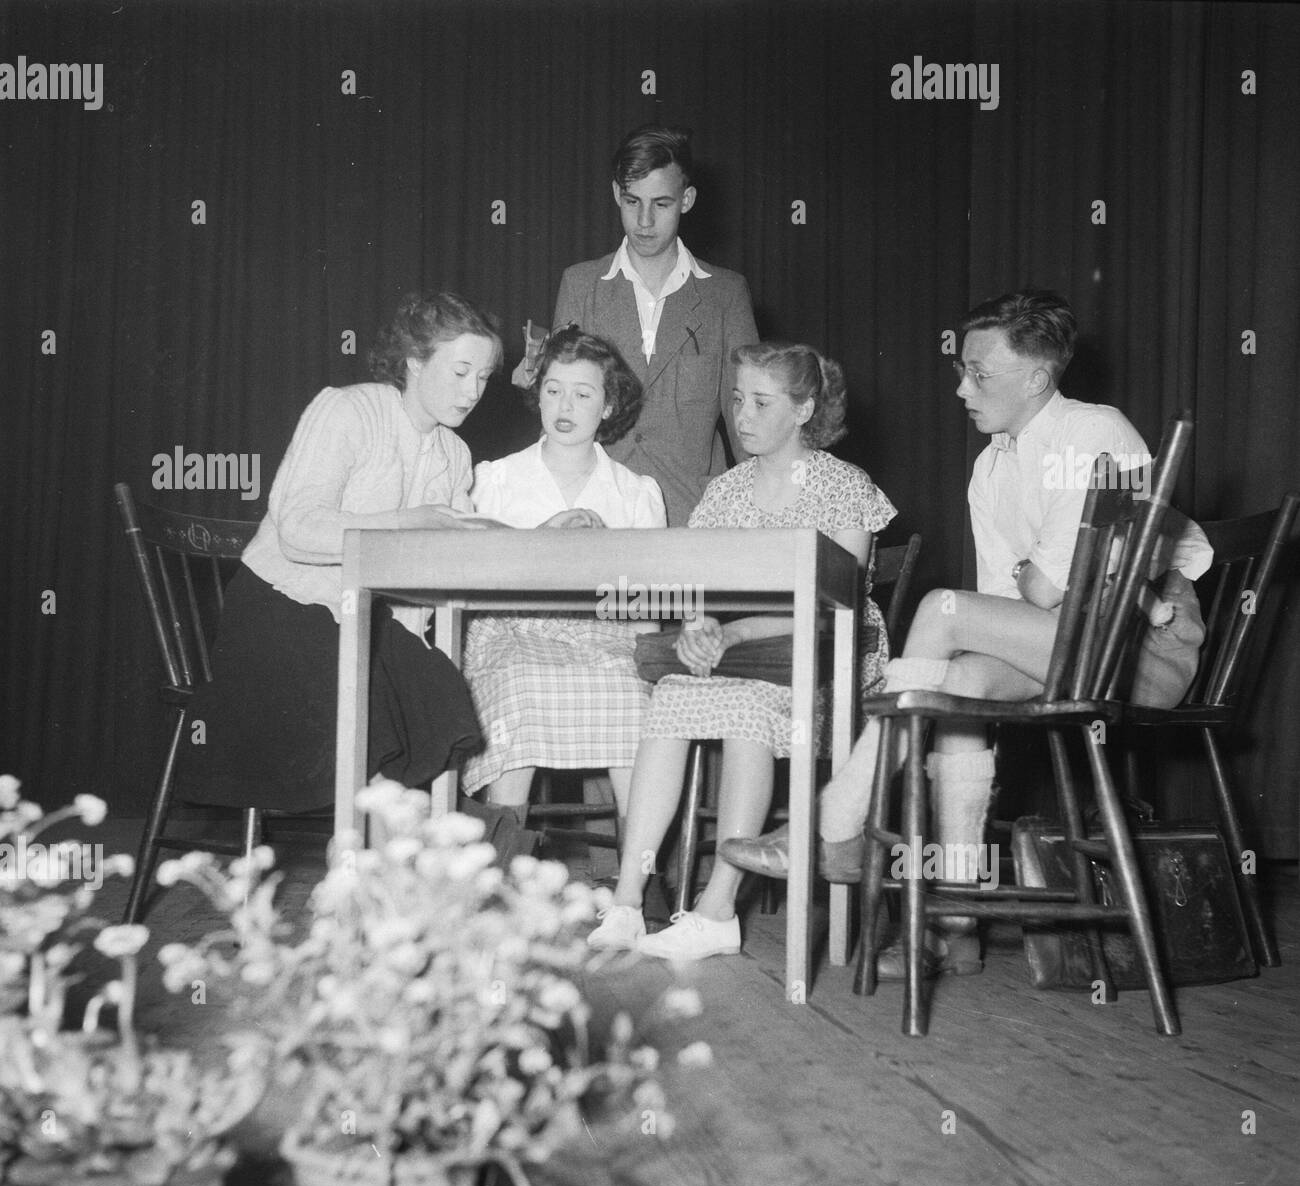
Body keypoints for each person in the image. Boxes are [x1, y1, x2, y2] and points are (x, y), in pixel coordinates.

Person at [720, 289, 1213, 977]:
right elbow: (1023, 599)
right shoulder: (990, 468)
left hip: (1139, 653)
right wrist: (1036, 581)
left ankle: (833, 821)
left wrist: (1038, 582)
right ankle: (955, 921)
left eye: (978, 373)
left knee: (943, 611)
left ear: (1037, 378)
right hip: (1058, 643)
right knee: (958, 677)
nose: (959, 387)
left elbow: (1051, 589)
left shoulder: (1097, 430)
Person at [586, 341, 897, 961]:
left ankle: (718, 908)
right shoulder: (723, 492)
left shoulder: (847, 488)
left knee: (746, 707)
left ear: (806, 409)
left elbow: (831, 604)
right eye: (737, 400)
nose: (742, 415)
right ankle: (625, 901)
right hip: (741, 656)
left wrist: (734, 632)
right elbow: (696, 580)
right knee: (671, 697)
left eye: (761, 401)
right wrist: (700, 621)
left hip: (827, 664)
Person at [177, 291, 509, 816]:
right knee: (372, 692)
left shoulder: (455, 454)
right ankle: (382, 860)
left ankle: (403, 855)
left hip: (361, 624)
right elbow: (299, 531)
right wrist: (405, 521)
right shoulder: (348, 408)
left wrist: (513, 535)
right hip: (278, 613)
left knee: (437, 688)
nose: (473, 391)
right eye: (461, 371)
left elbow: (448, 565)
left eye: (484, 376)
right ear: (415, 362)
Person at [460, 327, 667, 823]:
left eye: (583, 393)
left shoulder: (636, 493)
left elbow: (650, 607)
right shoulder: (495, 480)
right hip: (513, 635)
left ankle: (634, 887)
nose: (565, 406)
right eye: (553, 390)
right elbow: (469, 584)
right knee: (519, 686)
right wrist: (540, 540)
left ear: (609, 405)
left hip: (605, 640)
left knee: (632, 695)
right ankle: (504, 872)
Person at [516, 124, 759, 526]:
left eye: (661, 204)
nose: (644, 221)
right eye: (632, 201)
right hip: (599, 516)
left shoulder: (727, 295)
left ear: (687, 199)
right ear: (616, 194)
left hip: (696, 517)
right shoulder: (580, 284)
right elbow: (563, 416)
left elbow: (746, 423)